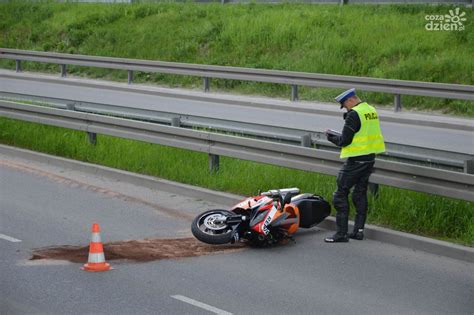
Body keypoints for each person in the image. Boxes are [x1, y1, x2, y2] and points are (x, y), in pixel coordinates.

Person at [324, 88, 385, 243]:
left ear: (351, 100)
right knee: (359, 194)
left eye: (345, 105)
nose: (345, 108)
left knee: (340, 195)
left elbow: (344, 141)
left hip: (355, 161)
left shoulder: (354, 114)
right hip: (369, 159)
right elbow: (363, 132)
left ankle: (341, 234)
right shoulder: (371, 110)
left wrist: (331, 137)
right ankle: (358, 231)